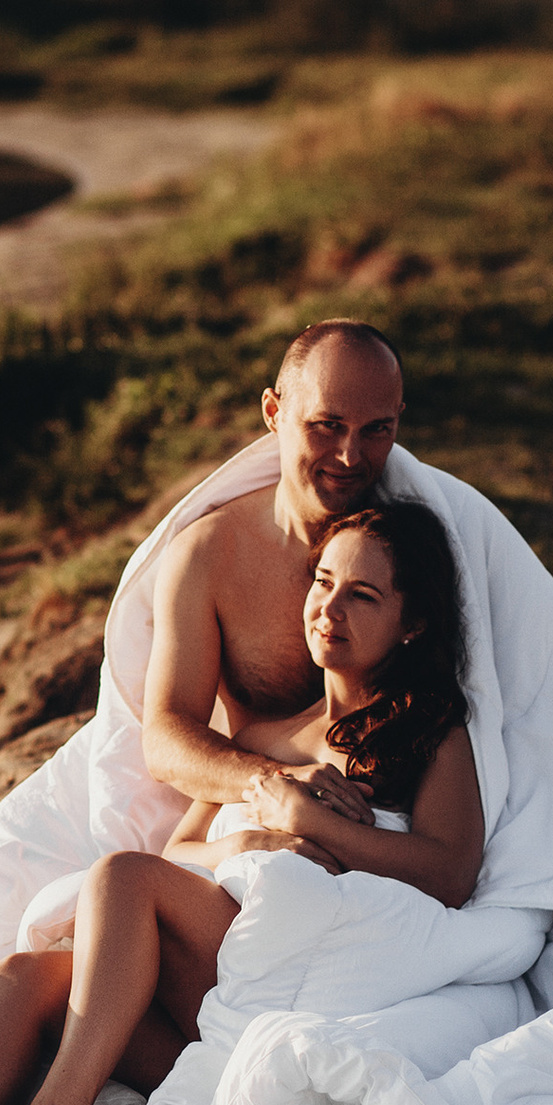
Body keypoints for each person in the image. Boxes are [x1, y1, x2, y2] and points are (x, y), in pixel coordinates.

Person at [0, 501, 479, 1105]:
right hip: (212, 1009)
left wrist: (313, 825)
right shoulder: (261, 742)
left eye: (362, 595)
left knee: (121, 876)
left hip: (300, 990)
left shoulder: (427, 734)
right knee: (29, 977)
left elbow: (452, 872)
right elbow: (182, 856)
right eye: (323, 581)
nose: (329, 607)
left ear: (413, 622)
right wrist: (254, 838)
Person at [142, 318, 407, 836]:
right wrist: (283, 783)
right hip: (263, 825)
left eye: (376, 429)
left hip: (398, 829)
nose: (351, 456)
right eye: (326, 425)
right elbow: (166, 738)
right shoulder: (208, 556)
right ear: (273, 412)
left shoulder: (419, 550)